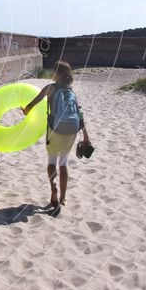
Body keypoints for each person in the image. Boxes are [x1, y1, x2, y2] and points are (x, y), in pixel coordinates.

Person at [21, 61, 90, 208]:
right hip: (72, 131)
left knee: (52, 161)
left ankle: (53, 187)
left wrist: (25, 110)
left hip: (55, 130)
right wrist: (86, 136)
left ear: (57, 74)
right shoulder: (71, 92)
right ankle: (63, 198)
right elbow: (80, 114)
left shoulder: (50, 88)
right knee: (63, 163)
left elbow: (32, 105)